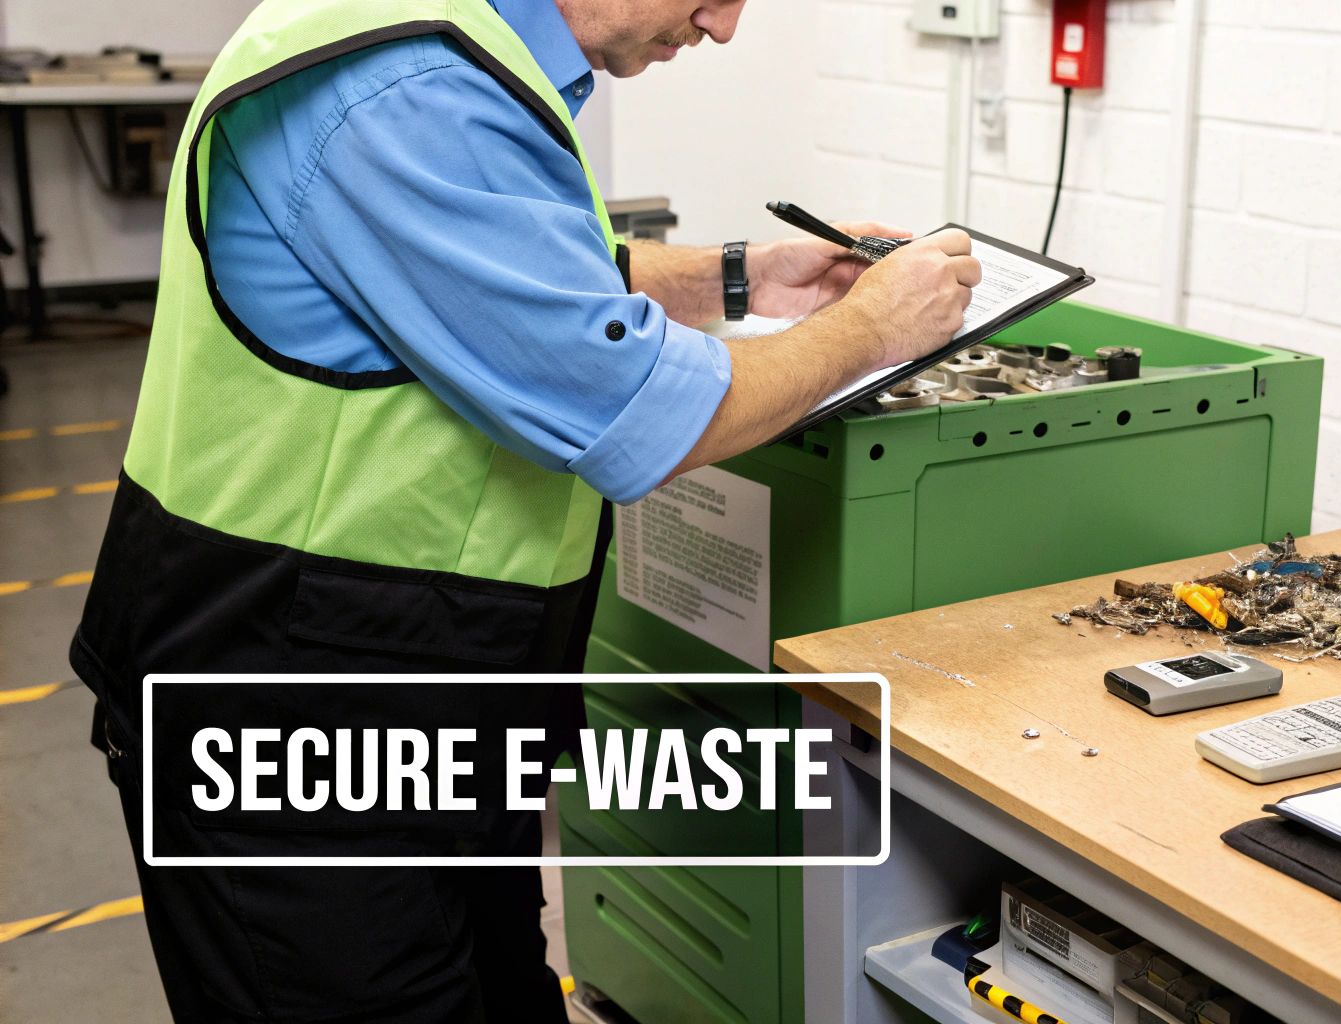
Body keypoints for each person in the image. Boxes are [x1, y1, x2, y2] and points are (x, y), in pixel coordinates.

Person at [68, 0, 978, 1020]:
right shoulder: (408, 85)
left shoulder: (451, 49)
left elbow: (522, 280)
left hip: (415, 706)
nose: (722, 26)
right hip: (291, 714)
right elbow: (642, 419)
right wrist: (865, 330)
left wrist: (750, 277)